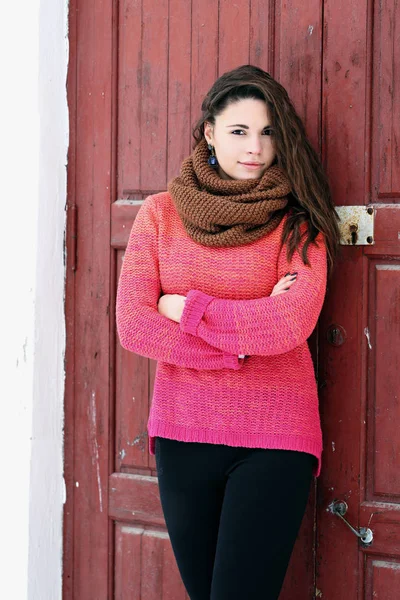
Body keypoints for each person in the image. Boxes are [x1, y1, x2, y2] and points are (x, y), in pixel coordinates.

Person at [116, 64, 340, 600]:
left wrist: (184, 308)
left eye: (267, 133)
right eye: (239, 131)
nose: (255, 147)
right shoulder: (159, 216)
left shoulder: (299, 223)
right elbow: (133, 325)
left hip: (274, 439)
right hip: (183, 432)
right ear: (210, 133)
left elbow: (287, 324)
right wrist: (236, 338)